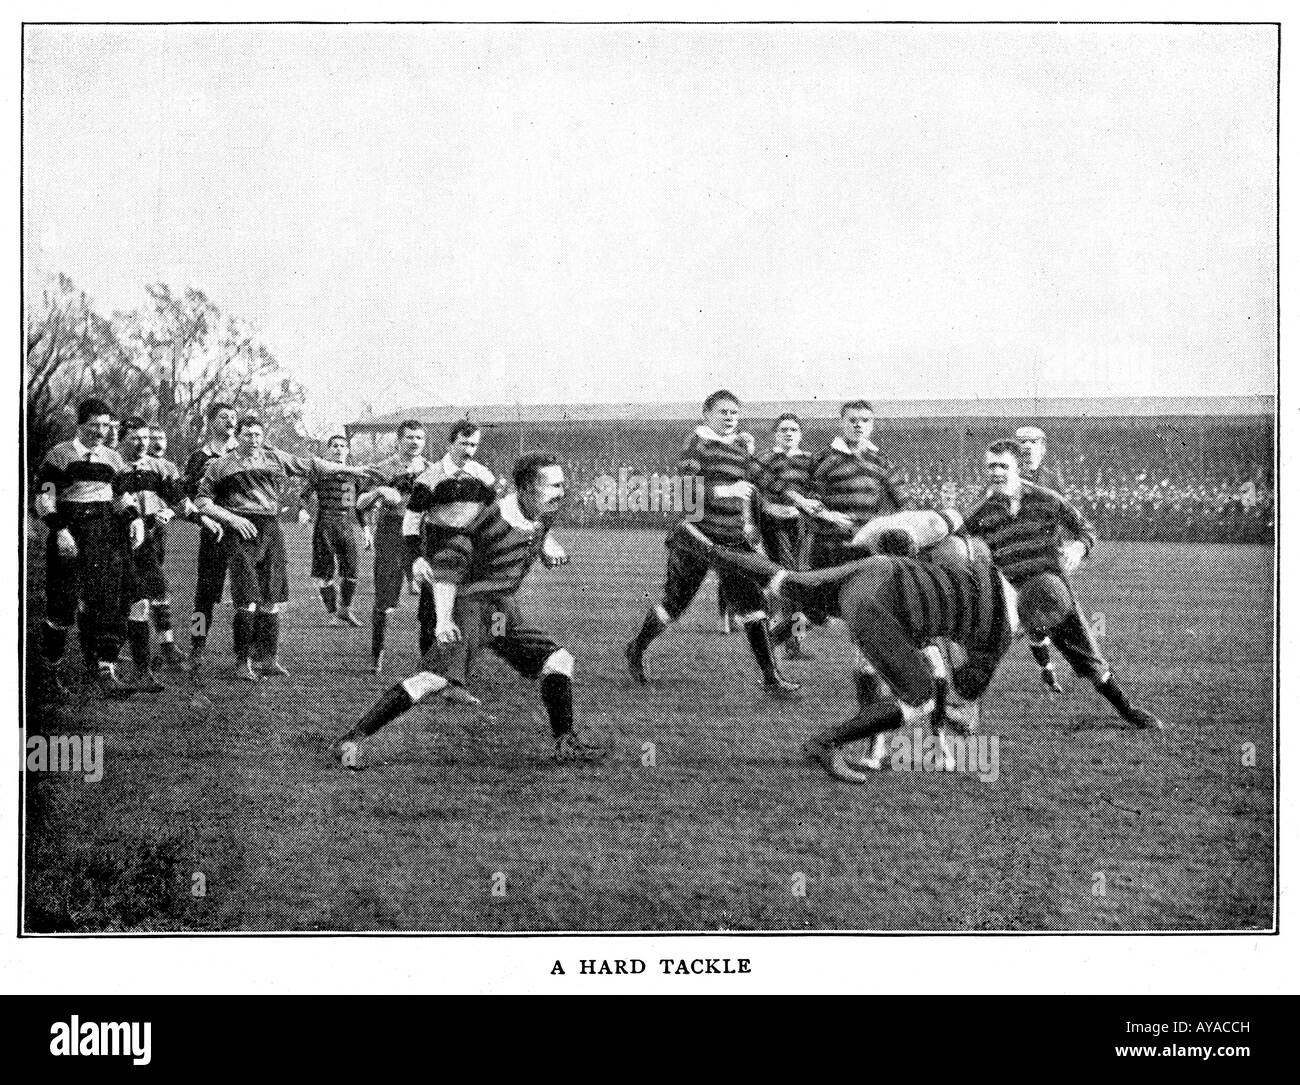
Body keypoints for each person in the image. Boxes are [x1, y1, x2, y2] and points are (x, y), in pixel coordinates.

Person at [690, 508, 1016, 783]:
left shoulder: (922, 546)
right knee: (919, 694)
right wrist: (957, 713)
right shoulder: (942, 549)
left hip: (877, 579)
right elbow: (966, 681)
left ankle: (702, 546)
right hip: (885, 599)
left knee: (788, 580)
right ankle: (832, 744)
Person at [335, 453, 602, 765]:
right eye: (554, 485)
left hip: (502, 612)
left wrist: (548, 547)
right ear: (528, 488)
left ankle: (566, 743)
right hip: (471, 609)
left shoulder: (541, 511)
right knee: (433, 680)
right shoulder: (490, 521)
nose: (561, 491)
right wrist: (444, 620)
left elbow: (537, 532)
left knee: (558, 660)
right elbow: (447, 569)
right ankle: (352, 739)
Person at [963, 440, 1162, 730]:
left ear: (1018, 467)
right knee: (978, 658)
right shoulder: (981, 512)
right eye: (990, 466)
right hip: (1010, 598)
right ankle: (960, 715)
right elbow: (958, 541)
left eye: (1003, 465)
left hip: (1053, 595)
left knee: (1090, 661)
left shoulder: (1046, 499)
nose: (995, 472)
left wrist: (1078, 548)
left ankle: (1127, 709)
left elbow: (1086, 529)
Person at [625, 390, 798, 695]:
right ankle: (636, 647)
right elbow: (684, 492)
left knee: (753, 606)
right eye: (724, 412)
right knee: (674, 605)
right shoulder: (697, 446)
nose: (731, 418)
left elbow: (766, 479)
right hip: (697, 538)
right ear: (706, 415)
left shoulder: (739, 450)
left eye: (734, 412)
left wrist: (800, 500)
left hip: (731, 541)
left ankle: (772, 679)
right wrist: (726, 491)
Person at [195, 417, 373, 681]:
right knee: (238, 599)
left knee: (272, 597)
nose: (253, 440)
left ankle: (269, 659)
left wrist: (355, 470)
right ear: (238, 436)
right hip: (238, 530)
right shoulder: (218, 464)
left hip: (270, 528)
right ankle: (232, 658)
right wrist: (232, 518)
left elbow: (311, 465)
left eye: (257, 435)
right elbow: (201, 500)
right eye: (247, 435)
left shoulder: (274, 458)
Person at [33, 398, 138, 698]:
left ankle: (104, 670)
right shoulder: (60, 455)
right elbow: (44, 499)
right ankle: (50, 672)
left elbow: (122, 496)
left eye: (106, 426)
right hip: (70, 528)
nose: (102, 432)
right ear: (81, 425)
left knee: (107, 598)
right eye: (95, 425)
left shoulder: (113, 458)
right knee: (62, 603)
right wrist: (61, 530)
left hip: (104, 530)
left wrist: (134, 520)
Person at [116, 417, 221, 688]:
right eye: (136, 438)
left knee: (154, 591)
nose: (143, 443)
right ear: (121, 438)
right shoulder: (111, 465)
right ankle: (110, 660)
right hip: (116, 541)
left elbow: (178, 499)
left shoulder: (158, 468)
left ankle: (160, 653)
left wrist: (201, 518)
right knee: (126, 600)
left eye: (146, 438)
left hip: (148, 539)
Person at [355, 420, 433, 674]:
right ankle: (377, 656)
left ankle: (429, 659)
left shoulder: (431, 470)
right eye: (410, 437)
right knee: (385, 599)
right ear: (399, 440)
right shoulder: (381, 469)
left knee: (430, 595)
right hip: (391, 531)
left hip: (421, 533)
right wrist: (379, 491)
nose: (415, 442)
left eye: (419, 438)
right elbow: (359, 503)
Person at [1013, 424, 1070, 692]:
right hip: (1020, 557)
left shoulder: (1053, 478)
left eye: (1033, 442)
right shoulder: (1008, 479)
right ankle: (1047, 667)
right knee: (1028, 613)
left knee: (1047, 613)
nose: (1027, 447)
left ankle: (1048, 666)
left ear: (1043, 447)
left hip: (1048, 557)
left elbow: (1061, 515)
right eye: (1022, 442)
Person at [182, 402, 238, 676]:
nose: (230, 421)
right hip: (215, 531)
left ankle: (251, 655)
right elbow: (189, 492)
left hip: (244, 532)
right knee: (205, 595)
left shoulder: (247, 451)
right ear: (211, 422)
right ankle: (197, 646)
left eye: (233, 417)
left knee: (250, 593)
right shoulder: (199, 457)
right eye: (224, 417)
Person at [302, 434, 363, 626]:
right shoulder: (321, 472)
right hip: (325, 523)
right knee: (324, 573)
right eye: (334, 445)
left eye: (342, 446)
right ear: (328, 450)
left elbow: (355, 505)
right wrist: (307, 511)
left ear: (347, 450)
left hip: (345, 524)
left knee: (351, 571)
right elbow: (304, 495)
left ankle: (345, 610)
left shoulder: (352, 474)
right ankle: (333, 614)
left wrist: (366, 528)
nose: (338, 449)